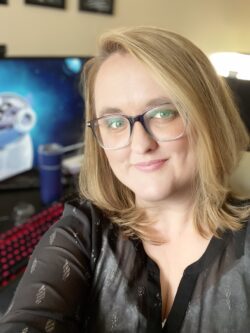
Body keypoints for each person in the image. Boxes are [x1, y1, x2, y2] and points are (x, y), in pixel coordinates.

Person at [0, 26, 250, 333]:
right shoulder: (83, 233)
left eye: (162, 113)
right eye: (115, 122)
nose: (140, 144)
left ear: (209, 115)